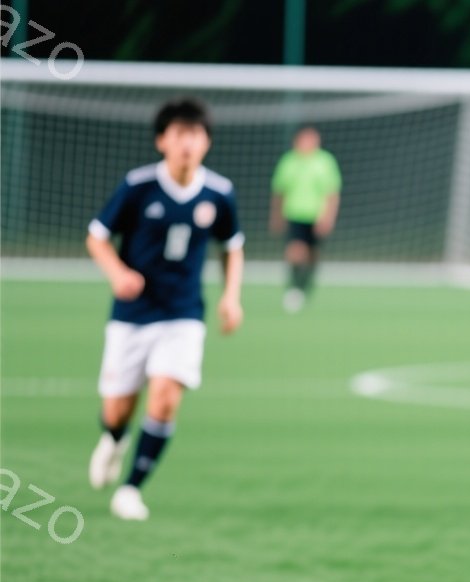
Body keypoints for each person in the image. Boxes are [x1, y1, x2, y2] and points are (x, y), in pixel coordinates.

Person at [86, 97, 244, 522]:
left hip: (183, 314)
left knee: (165, 396)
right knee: (118, 409)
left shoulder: (220, 193)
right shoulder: (138, 186)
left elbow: (233, 247)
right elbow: (97, 237)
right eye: (179, 134)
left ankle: (132, 488)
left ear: (207, 142)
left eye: (195, 134)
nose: (187, 143)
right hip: (132, 315)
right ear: (162, 141)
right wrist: (117, 273)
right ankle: (114, 440)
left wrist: (231, 296)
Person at [269, 126, 340, 312]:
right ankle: (294, 288)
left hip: (316, 216)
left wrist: (328, 217)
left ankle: (305, 286)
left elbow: (332, 193)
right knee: (295, 251)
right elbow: (279, 191)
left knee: (312, 255)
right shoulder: (289, 161)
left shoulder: (325, 162)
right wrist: (276, 215)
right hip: (294, 213)